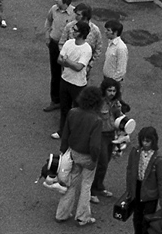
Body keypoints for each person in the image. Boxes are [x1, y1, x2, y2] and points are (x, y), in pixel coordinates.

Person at [55, 85, 103, 227]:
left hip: (73, 154)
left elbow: (66, 134)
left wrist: (63, 151)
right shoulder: (97, 120)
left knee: (70, 184)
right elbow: (95, 145)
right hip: (88, 157)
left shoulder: (73, 112)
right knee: (86, 186)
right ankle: (82, 216)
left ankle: (62, 213)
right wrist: (94, 159)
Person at [123, 126, 162, 234]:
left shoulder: (159, 159)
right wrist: (129, 190)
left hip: (150, 194)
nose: (145, 143)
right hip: (138, 189)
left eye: (147, 141)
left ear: (153, 141)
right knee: (137, 218)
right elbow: (130, 171)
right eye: (143, 140)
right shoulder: (135, 152)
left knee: (147, 220)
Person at [56, 20, 93, 140]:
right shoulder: (68, 43)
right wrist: (69, 62)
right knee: (64, 107)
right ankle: (62, 131)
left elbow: (79, 67)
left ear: (82, 33)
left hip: (78, 84)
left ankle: (75, 133)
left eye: (75, 30)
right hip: (65, 79)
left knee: (77, 110)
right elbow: (59, 60)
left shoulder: (86, 49)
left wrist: (67, 61)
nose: (72, 32)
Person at [91, 77, 124, 202]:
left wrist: (118, 110)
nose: (112, 93)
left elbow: (119, 117)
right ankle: (92, 190)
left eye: (114, 91)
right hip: (100, 135)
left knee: (106, 162)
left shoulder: (115, 103)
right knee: (102, 162)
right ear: (104, 90)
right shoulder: (99, 103)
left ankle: (99, 186)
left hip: (111, 134)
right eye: (109, 90)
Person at [45, 0, 78, 112]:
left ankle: (68, 102)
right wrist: (47, 35)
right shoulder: (53, 9)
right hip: (54, 44)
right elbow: (48, 20)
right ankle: (55, 100)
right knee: (55, 73)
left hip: (67, 48)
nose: (55, 0)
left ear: (65, 0)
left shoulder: (74, 14)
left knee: (68, 74)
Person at [60, 4, 105, 82]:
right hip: (68, 66)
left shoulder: (95, 31)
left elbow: (98, 49)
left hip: (84, 67)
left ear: (85, 16)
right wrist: (64, 59)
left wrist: (90, 65)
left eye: (78, 15)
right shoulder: (70, 26)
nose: (75, 16)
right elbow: (61, 43)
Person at [102, 20, 128, 85]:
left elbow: (121, 70)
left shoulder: (121, 48)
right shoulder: (111, 42)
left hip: (113, 82)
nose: (106, 32)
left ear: (115, 32)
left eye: (108, 30)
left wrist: (112, 82)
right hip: (107, 79)